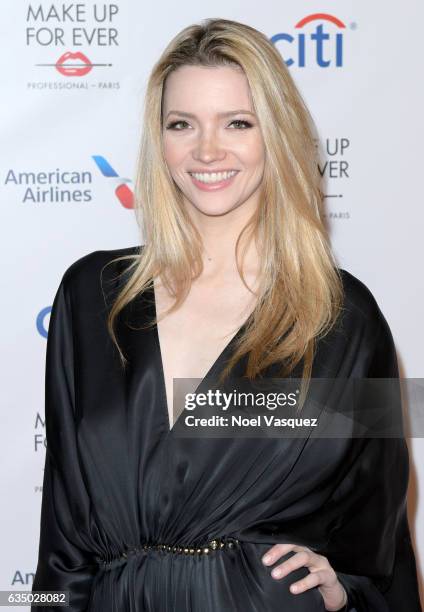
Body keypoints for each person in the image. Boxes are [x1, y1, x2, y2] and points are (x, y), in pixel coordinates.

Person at [32, 17, 421, 612]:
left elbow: (378, 542)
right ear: (158, 140)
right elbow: (62, 543)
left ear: (278, 135)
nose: (207, 150)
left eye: (237, 123)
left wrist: (345, 592)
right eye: (181, 124)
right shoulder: (91, 296)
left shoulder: (342, 320)